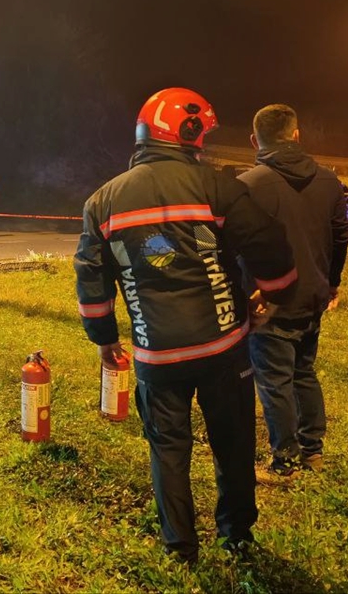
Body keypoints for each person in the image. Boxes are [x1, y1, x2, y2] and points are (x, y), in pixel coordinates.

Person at [75, 87, 298, 562]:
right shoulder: (215, 186)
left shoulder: (102, 202)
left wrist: (103, 339)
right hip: (222, 351)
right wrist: (274, 296)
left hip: (157, 357)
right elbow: (269, 242)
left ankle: (180, 547)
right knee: (233, 443)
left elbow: (90, 276)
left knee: (168, 451)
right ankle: (236, 534)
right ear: (187, 131)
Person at [238, 105, 348, 486]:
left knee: (273, 381)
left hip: (267, 300)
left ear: (255, 140)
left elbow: (237, 248)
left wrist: (247, 293)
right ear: (297, 135)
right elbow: (340, 238)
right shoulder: (329, 181)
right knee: (303, 371)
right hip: (313, 297)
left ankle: (284, 461)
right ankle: (313, 451)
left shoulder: (248, 184)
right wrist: (331, 282)